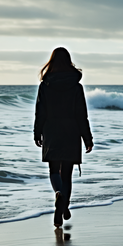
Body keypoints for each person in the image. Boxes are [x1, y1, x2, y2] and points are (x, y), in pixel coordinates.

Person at [34, 47, 93, 228]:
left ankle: (59, 194)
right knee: (66, 173)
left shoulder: (45, 85)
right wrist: (87, 138)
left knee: (54, 170)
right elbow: (81, 115)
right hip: (71, 131)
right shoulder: (76, 87)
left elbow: (40, 112)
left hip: (51, 130)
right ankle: (63, 204)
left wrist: (37, 132)